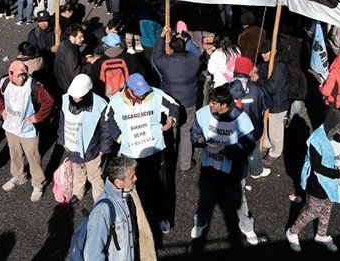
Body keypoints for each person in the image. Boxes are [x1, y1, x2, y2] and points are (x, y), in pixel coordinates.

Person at [100, 73, 181, 235]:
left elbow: (174, 106)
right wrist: (121, 137)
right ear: (129, 89)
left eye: (144, 91)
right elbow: (107, 121)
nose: (143, 94)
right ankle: (140, 222)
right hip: (131, 156)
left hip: (155, 151)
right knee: (137, 190)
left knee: (160, 186)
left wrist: (172, 119)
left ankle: (162, 217)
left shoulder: (156, 94)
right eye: (139, 92)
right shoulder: (115, 101)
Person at [189, 86, 259, 247]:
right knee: (205, 197)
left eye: (214, 103)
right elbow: (195, 132)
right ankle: (200, 223)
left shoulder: (242, 119)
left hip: (234, 169)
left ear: (224, 104)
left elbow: (248, 145)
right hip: (210, 165)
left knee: (239, 200)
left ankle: (247, 227)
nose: (210, 106)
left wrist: (225, 150)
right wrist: (199, 141)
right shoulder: (203, 113)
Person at [287, 108, 340, 253]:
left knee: (327, 208)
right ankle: (292, 232)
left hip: (333, 179)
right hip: (317, 181)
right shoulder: (317, 139)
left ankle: (321, 234)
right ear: (333, 127)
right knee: (313, 210)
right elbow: (317, 167)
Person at [0, 60, 54, 200]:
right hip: (11, 127)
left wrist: (37, 117)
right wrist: (1, 109)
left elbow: (48, 101)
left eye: (24, 75)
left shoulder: (33, 86)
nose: (22, 78)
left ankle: (38, 183)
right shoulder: (3, 82)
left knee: (33, 156)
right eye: (19, 75)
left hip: (27, 129)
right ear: (10, 74)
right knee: (15, 154)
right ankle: (18, 176)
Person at [152, 31, 201, 172]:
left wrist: (161, 37)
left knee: (170, 131)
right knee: (186, 132)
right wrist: (186, 39)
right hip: (189, 100)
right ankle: (185, 164)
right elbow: (196, 52)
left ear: (171, 49)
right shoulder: (193, 59)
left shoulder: (165, 62)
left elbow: (156, 54)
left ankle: (169, 160)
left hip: (170, 103)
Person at [82, 155, 143, 261]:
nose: (136, 178)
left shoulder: (127, 194)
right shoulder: (102, 211)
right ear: (118, 182)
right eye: (132, 177)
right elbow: (93, 254)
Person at [58, 74, 107, 201]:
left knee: (95, 176)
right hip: (73, 148)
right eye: (72, 96)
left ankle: (100, 200)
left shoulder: (100, 105)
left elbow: (106, 129)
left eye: (78, 97)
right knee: (78, 171)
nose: (74, 99)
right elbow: (62, 122)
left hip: (92, 149)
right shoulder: (65, 99)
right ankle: (78, 193)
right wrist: (63, 139)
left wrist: (104, 148)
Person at [227, 56, 271, 179]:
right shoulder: (257, 88)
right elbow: (266, 106)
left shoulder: (227, 87)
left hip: (233, 127)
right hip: (253, 126)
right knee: (253, 148)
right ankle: (256, 171)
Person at [256, 40, 288, 164]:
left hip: (277, 102)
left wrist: (258, 79)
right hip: (268, 101)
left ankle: (276, 152)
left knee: (275, 130)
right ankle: (267, 143)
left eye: (266, 52)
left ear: (273, 51)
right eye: (262, 53)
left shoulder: (279, 66)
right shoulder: (264, 63)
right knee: (267, 125)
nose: (263, 55)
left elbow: (272, 87)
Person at [55, 24, 95, 94]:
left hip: (62, 81)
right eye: (80, 37)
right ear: (72, 37)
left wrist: (84, 60)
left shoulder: (65, 44)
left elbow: (71, 63)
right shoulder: (70, 52)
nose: (83, 39)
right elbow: (76, 72)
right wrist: (91, 65)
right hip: (69, 86)